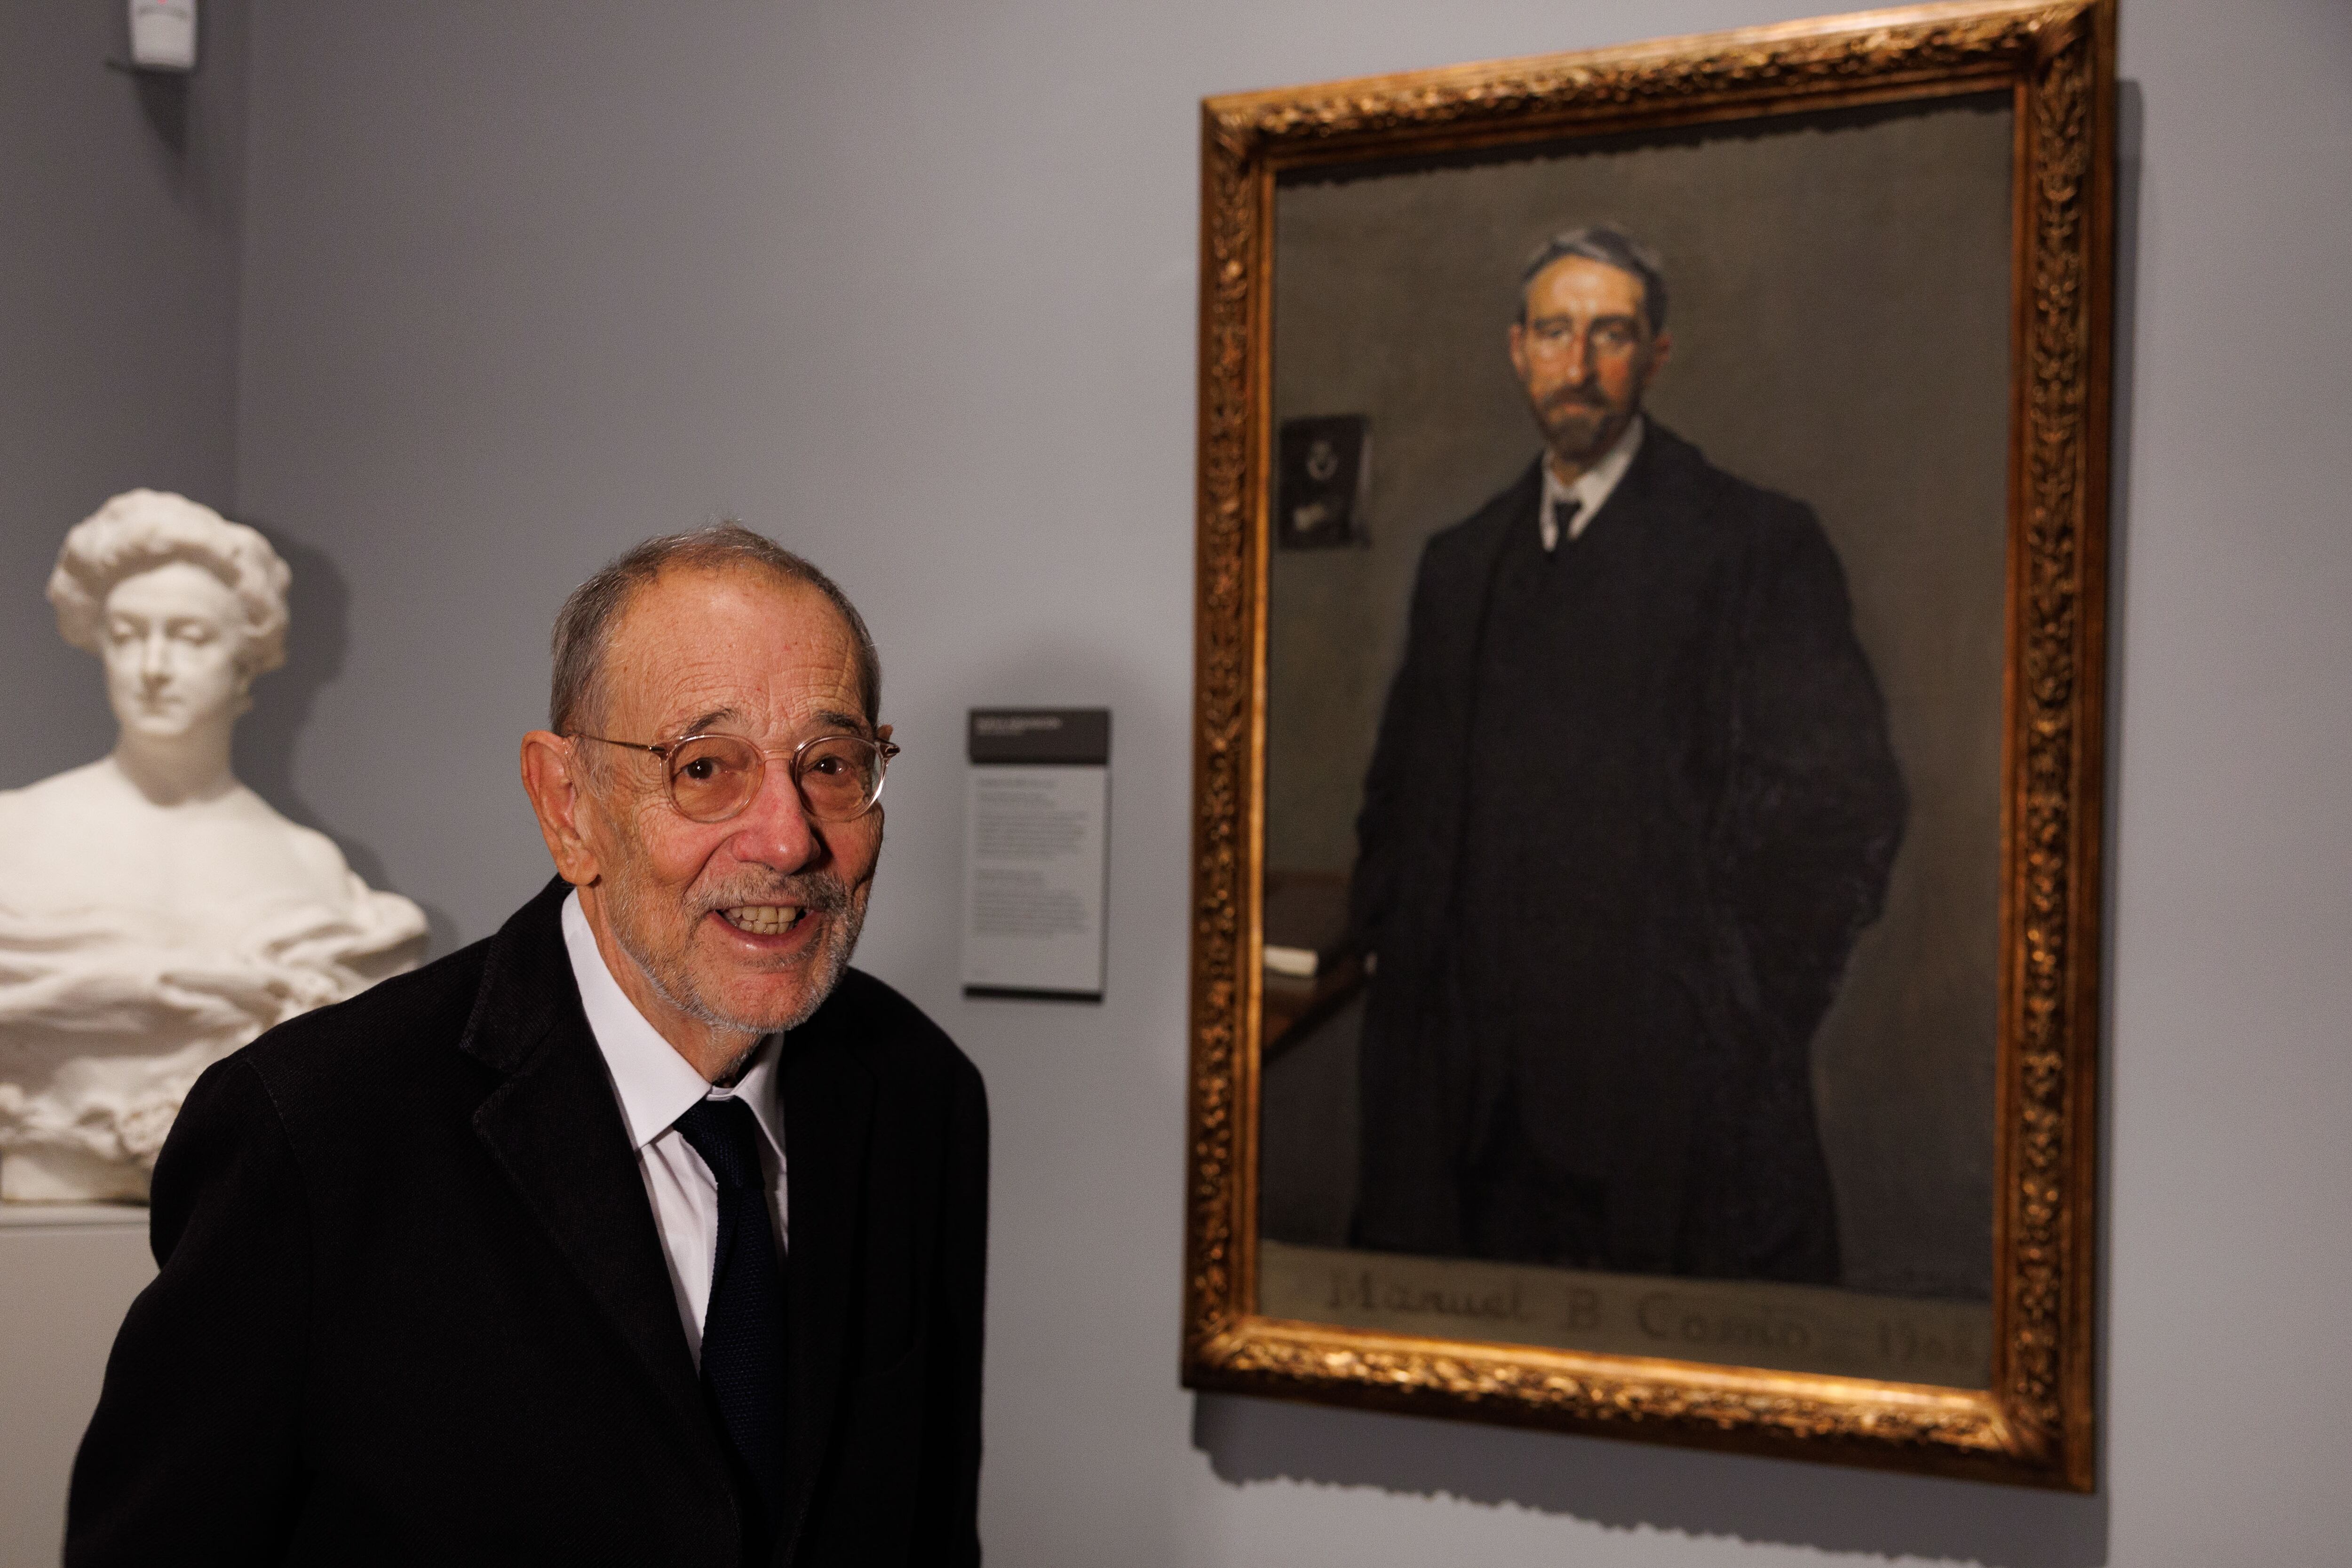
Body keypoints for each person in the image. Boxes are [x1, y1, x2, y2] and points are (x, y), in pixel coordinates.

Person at [67, 526, 988, 1566]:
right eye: (705, 767)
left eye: (829, 763)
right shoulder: (310, 1134)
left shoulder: (921, 1094)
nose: (787, 838)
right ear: (567, 806)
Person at [1349, 227, 1906, 1285]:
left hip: (1673, 1114)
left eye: (1611, 334)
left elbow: (1846, 805)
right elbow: (1399, 798)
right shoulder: (1461, 563)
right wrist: (1400, 957)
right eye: (1556, 332)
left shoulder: (1755, 544)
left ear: (1655, 357)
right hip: (1472, 1112)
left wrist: (1739, 1003)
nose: (1579, 361)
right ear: (1517, 349)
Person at [0, 491, 424, 1204]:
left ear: (245, 660)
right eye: (129, 633)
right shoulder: (16, 834)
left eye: (191, 637)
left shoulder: (311, 871)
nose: (154, 665)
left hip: (252, 1235)